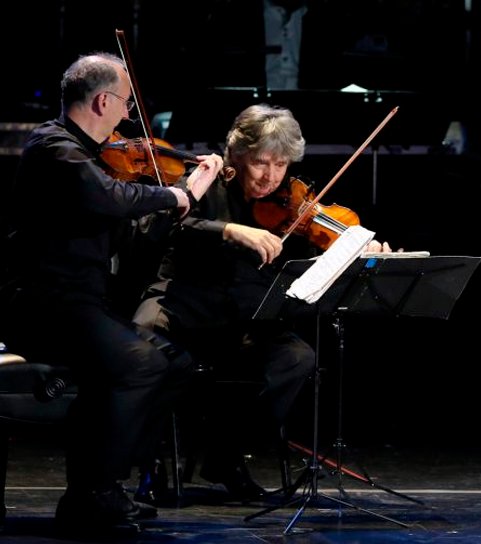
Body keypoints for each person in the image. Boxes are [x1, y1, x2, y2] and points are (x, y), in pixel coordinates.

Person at [0, 52, 223, 531]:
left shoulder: (92, 159)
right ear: (103, 101)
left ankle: (104, 482)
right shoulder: (54, 147)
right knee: (140, 362)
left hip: (80, 305)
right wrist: (175, 194)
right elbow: (110, 197)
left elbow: (127, 226)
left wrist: (185, 193)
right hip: (41, 304)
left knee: (174, 364)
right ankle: (92, 495)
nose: (128, 115)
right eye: (126, 103)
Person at [132, 103, 390, 503]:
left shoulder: (289, 202)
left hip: (244, 316)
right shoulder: (204, 178)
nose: (271, 176)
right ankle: (149, 462)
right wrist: (229, 230)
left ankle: (225, 455)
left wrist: (361, 249)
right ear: (237, 154)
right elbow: (162, 226)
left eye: (281, 164)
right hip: (182, 303)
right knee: (142, 342)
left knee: (296, 359)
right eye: (260, 163)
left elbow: (328, 238)